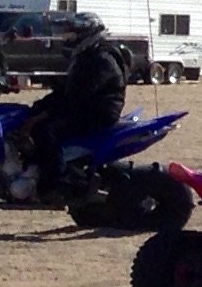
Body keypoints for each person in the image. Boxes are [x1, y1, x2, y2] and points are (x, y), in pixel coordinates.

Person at [15, 12, 133, 194]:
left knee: (44, 129)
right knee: (32, 115)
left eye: (72, 35)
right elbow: (68, 91)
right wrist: (40, 106)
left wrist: (44, 114)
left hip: (98, 113)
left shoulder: (101, 59)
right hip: (86, 107)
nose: (68, 39)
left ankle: (56, 179)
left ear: (87, 35)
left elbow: (77, 96)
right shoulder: (88, 56)